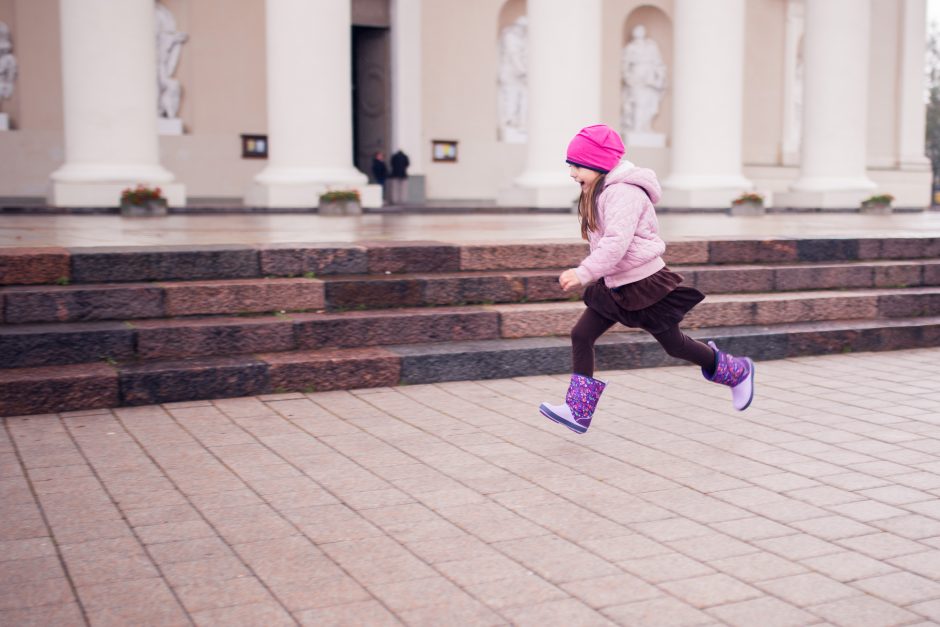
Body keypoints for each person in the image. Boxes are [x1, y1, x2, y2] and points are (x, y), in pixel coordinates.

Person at [539, 124, 755, 434]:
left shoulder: (623, 193)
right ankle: (578, 411)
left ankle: (737, 371)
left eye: (577, 165)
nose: (572, 172)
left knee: (675, 345)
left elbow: (616, 242)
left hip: (644, 284)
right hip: (614, 283)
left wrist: (583, 272)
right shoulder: (600, 190)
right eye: (570, 165)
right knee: (581, 334)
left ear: (599, 164)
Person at [621, 25, 666, 135]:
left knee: (650, 102)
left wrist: (659, 76)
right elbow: (625, 64)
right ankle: (637, 128)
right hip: (637, 77)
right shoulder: (630, 47)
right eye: (637, 31)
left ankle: (646, 127)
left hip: (650, 77)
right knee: (638, 102)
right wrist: (628, 77)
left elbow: (658, 62)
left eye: (641, 30)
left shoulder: (651, 46)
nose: (639, 32)